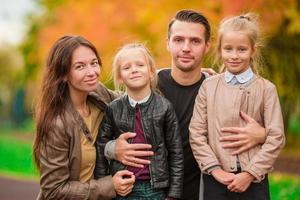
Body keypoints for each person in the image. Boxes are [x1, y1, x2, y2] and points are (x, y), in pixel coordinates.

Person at [105, 10, 267, 200]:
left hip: (206, 190)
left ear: (207, 46)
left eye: (195, 41)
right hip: (154, 192)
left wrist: (263, 134)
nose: (186, 48)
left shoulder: (220, 89)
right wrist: (112, 148)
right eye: (178, 40)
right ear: (168, 43)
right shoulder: (146, 85)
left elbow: (268, 135)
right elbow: (108, 114)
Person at [189, 13, 285, 200]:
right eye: (228, 49)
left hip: (254, 181)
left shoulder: (266, 89)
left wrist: (249, 174)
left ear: (253, 51)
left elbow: (276, 136)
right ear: (220, 50)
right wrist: (215, 170)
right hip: (215, 180)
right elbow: (196, 133)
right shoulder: (208, 87)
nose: (234, 56)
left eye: (241, 49)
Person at [33, 35, 135, 200]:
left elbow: (134, 99)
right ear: (64, 74)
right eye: (80, 66)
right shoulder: (57, 123)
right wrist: (109, 186)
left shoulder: (99, 94)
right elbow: (54, 190)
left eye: (94, 63)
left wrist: (161, 73)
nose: (92, 72)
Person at [95, 43, 184, 200]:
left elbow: (176, 152)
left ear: (151, 72)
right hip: (122, 187)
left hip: (155, 188)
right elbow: (101, 148)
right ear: (120, 78)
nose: (134, 69)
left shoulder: (164, 107)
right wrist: (104, 188)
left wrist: (173, 194)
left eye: (140, 65)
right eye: (127, 67)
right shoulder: (113, 109)